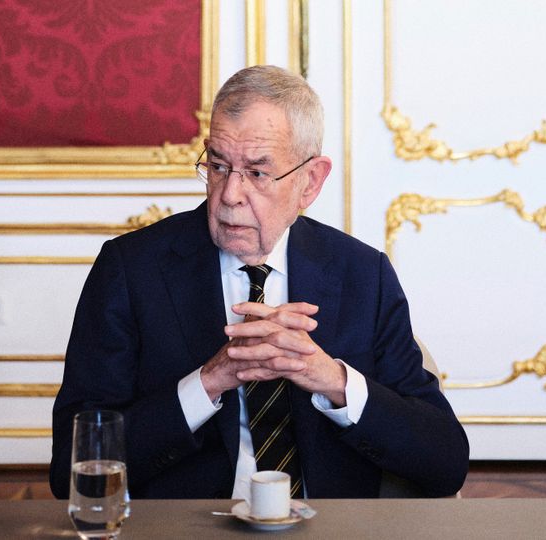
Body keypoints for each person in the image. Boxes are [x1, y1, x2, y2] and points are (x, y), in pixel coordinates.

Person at [50, 65, 468, 500]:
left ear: (310, 181)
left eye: (257, 172)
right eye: (218, 165)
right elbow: (72, 472)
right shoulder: (131, 269)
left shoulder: (362, 274)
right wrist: (210, 381)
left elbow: (445, 464)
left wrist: (330, 379)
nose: (230, 194)